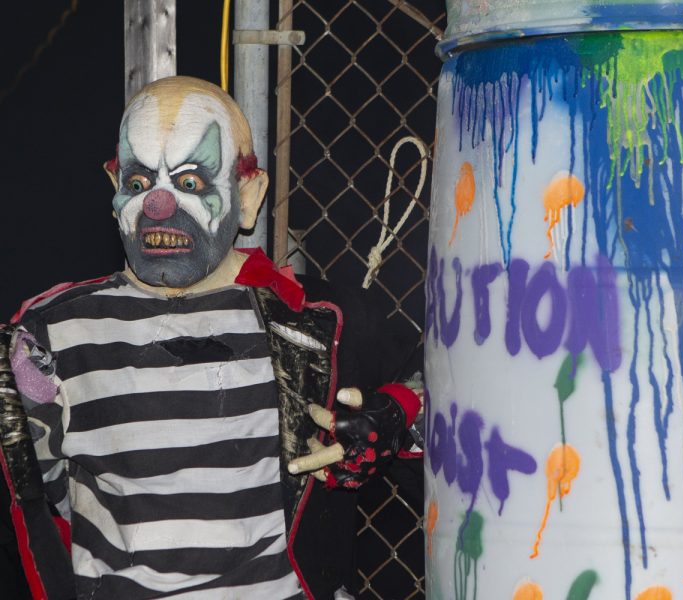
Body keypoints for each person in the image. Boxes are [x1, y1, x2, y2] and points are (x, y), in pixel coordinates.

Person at [0, 76, 421, 600]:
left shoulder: (318, 323)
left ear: (248, 196)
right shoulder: (46, 339)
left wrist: (394, 419)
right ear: (113, 190)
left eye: (192, 182)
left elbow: (454, 408)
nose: (157, 205)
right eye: (136, 184)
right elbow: (34, 506)